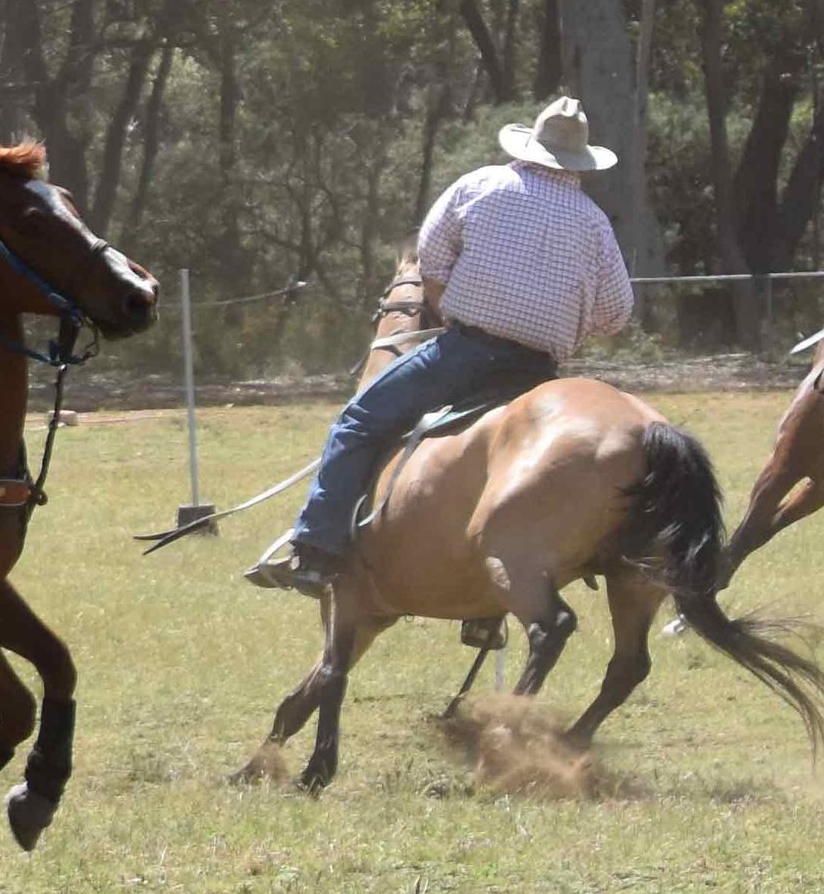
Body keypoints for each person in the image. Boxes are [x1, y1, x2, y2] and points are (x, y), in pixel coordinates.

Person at [246, 96, 635, 595]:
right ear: (581, 160)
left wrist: (450, 307)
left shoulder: (480, 186)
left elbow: (431, 261)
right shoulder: (595, 223)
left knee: (359, 421)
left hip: (465, 353)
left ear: (530, 144)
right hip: (538, 372)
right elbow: (616, 314)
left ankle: (317, 549)